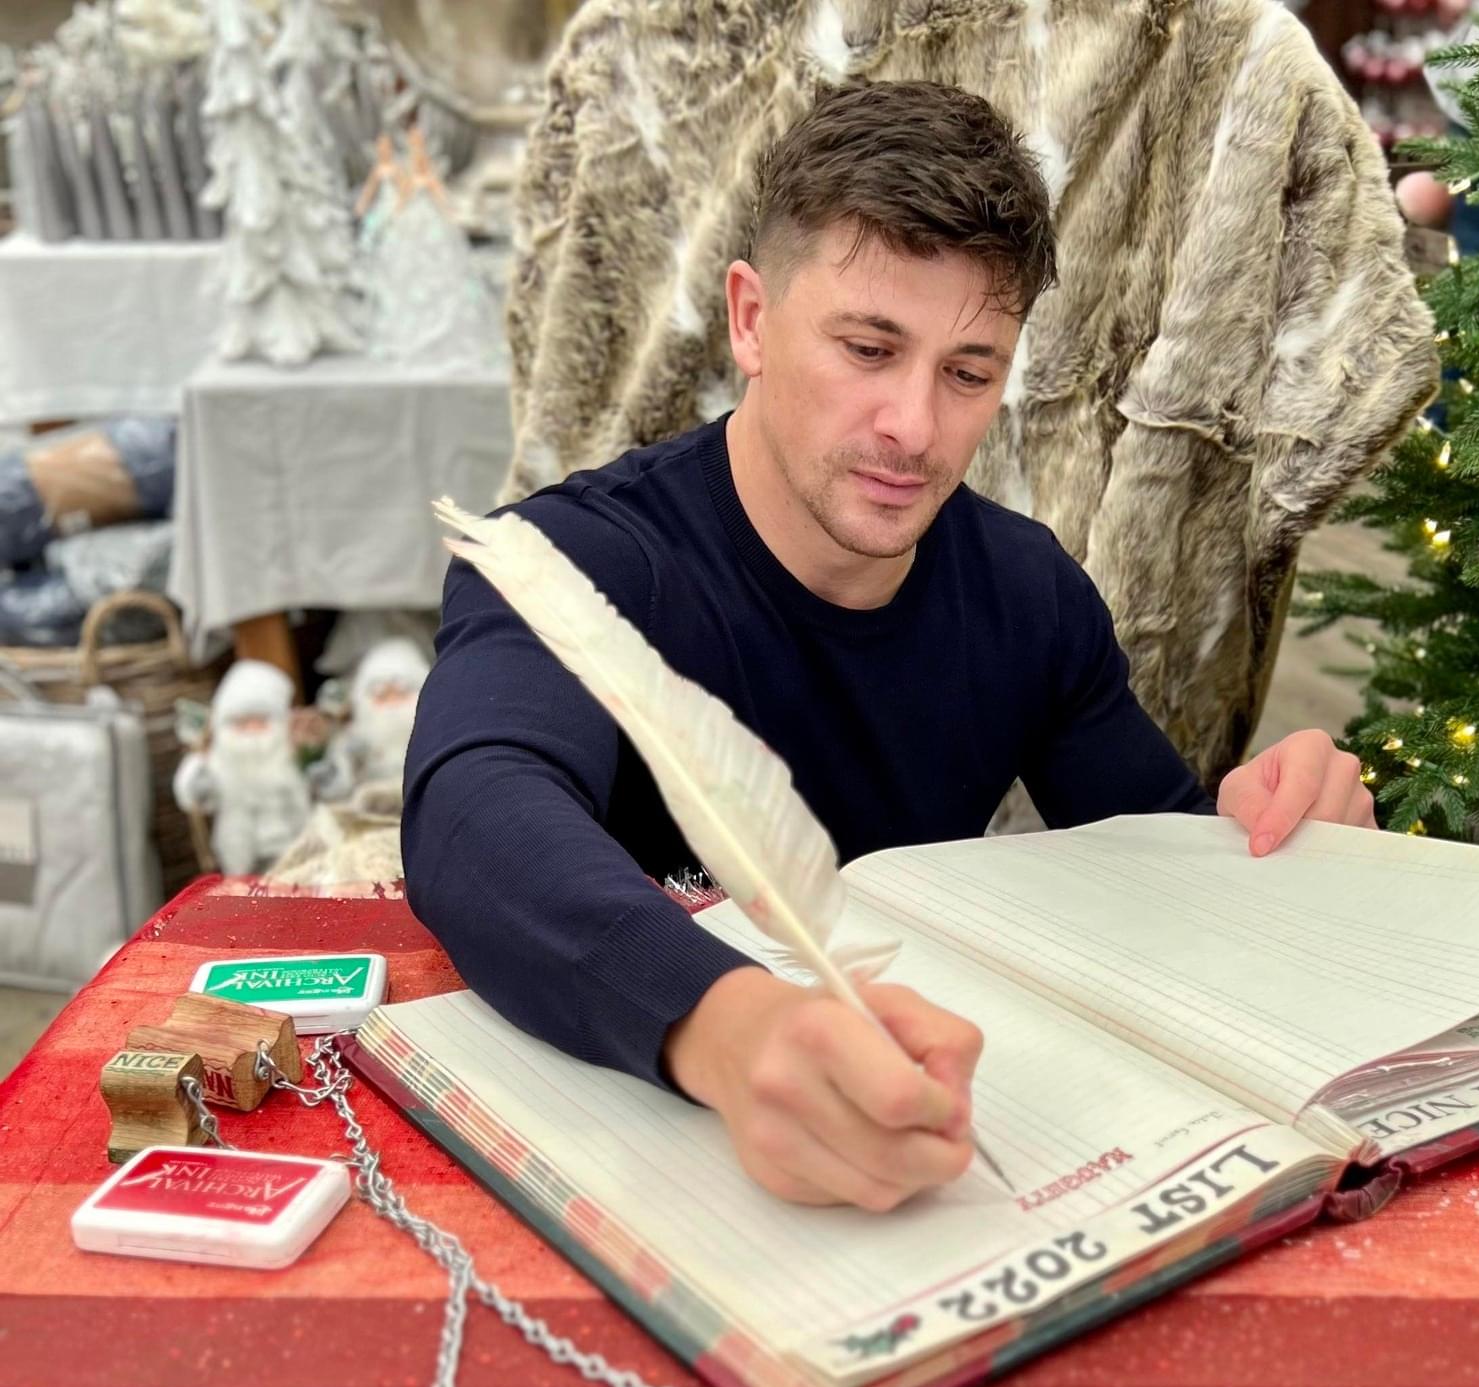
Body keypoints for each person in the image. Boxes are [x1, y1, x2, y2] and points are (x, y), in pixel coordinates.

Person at [403, 80, 1376, 1214]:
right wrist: (730, 1029)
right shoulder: (580, 563)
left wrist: (1263, 836)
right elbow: (473, 816)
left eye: (968, 371)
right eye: (869, 349)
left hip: (945, 1166)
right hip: (633, 1169)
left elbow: (1153, 862)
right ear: (751, 319)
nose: (914, 427)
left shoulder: (1026, 594)